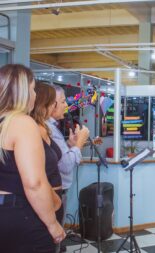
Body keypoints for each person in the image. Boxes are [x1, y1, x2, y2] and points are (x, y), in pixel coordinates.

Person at [0, 64, 65, 252]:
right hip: (21, 215)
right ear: (23, 92)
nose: (35, 95)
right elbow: (34, 183)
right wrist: (53, 224)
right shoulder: (22, 122)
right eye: (32, 89)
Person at [46, 84, 90, 249]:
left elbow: (56, 158)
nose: (66, 105)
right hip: (55, 194)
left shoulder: (53, 128)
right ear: (51, 104)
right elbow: (64, 165)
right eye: (63, 101)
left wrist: (70, 145)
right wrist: (78, 144)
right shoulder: (48, 129)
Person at [30, 82, 65, 222]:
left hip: (55, 195)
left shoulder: (45, 128)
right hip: (47, 198)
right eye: (52, 103)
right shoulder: (32, 130)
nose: (54, 107)